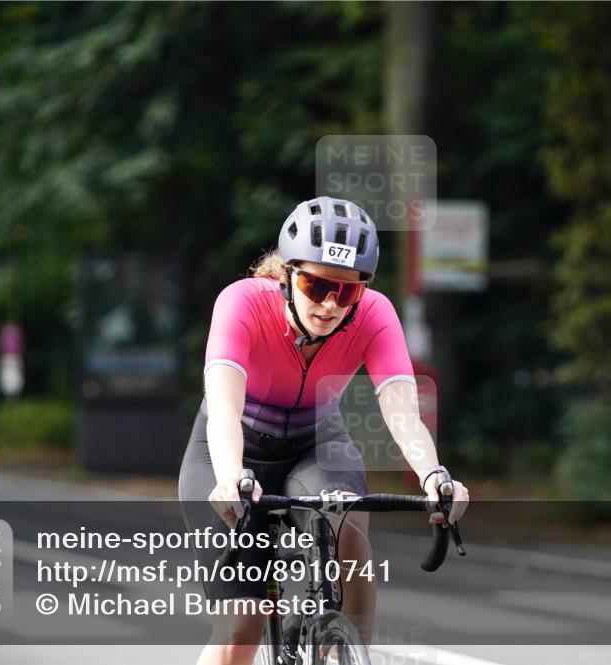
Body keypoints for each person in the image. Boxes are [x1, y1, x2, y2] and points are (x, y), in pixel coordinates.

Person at [178, 196, 469, 665]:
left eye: (347, 292)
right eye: (316, 285)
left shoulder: (375, 315)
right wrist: (231, 477)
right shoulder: (242, 303)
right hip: (231, 449)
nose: (331, 304)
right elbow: (225, 408)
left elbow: (401, 413)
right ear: (287, 274)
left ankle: (350, 656)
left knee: (349, 537)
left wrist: (434, 476)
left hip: (317, 446)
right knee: (241, 627)